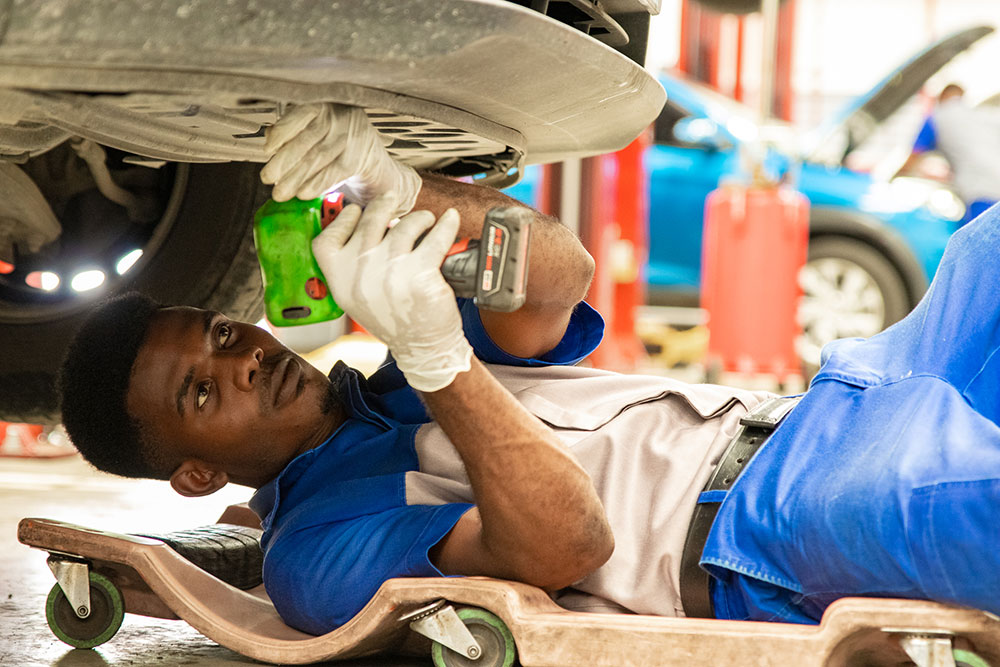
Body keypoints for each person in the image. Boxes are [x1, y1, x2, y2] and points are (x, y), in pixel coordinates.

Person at [58, 103, 1000, 636]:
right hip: (781, 521)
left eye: (224, 336)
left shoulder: (389, 376)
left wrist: (407, 191)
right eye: (202, 390)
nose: (248, 362)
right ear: (195, 473)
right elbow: (565, 543)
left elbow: (559, 275)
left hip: (839, 395)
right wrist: (440, 360)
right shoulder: (315, 551)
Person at [897, 83, 1000, 223]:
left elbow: (913, 157)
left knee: (979, 241)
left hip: (982, 193)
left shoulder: (937, 117)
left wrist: (890, 180)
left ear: (941, 96)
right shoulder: (984, 116)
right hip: (993, 185)